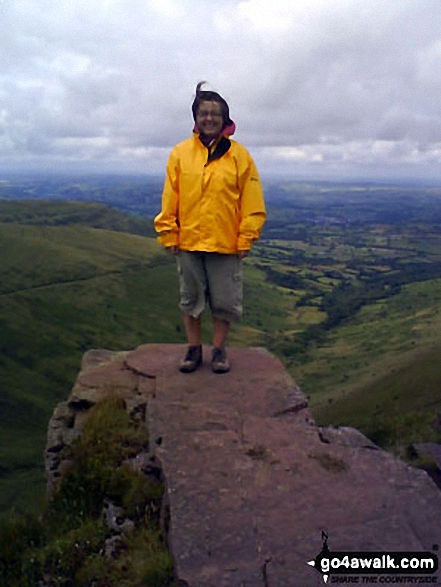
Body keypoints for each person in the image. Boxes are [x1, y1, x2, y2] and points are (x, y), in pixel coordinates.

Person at [154, 82, 266, 373]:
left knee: (224, 301)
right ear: (195, 117)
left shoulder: (240, 156)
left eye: (216, 113)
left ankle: (218, 350)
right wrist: (169, 232)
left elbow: (251, 201)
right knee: (190, 299)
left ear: (225, 118)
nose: (209, 118)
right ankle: (193, 349)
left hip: (225, 241)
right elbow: (171, 196)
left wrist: (246, 238)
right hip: (189, 240)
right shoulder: (180, 154)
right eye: (204, 113)